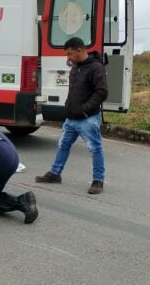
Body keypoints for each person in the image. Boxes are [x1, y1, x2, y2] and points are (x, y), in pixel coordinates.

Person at [35, 37, 108, 194]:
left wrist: (84, 110)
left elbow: (101, 92)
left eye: (69, 54)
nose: (67, 57)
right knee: (63, 145)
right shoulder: (76, 67)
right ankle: (55, 174)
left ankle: (98, 181)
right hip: (71, 118)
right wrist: (68, 108)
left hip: (87, 118)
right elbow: (73, 90)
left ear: (80, 50)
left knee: (95, 149)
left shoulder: (96, 68)